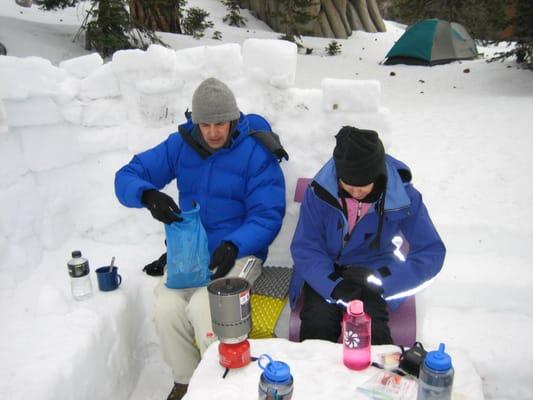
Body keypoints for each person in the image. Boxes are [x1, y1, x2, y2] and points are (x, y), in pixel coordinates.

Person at [114, 78, 286, 400]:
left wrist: (235, 243)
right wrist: (148, 194)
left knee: (205, 306)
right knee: (166, 309)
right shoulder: (180, 145)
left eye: (220, 123)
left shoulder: (255, 151)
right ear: (195, 121)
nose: (213, 132)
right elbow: (126, 175)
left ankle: (221, 385)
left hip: (239, 253)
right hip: (190, 254)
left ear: (233, 118)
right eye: (204, 123)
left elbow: (268, 215)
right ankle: (186, 382)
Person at [289, 126, 445, 345]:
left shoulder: (403, 197)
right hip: (324, 271)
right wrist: (333, 286)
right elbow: (306, 247)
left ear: (377, 174)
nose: (356, 192)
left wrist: (384, 281)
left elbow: (431, 252)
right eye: (348, 185)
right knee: (317, 327)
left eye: (363, 186)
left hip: (373, 272)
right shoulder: (319, 193)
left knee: (375, 336)